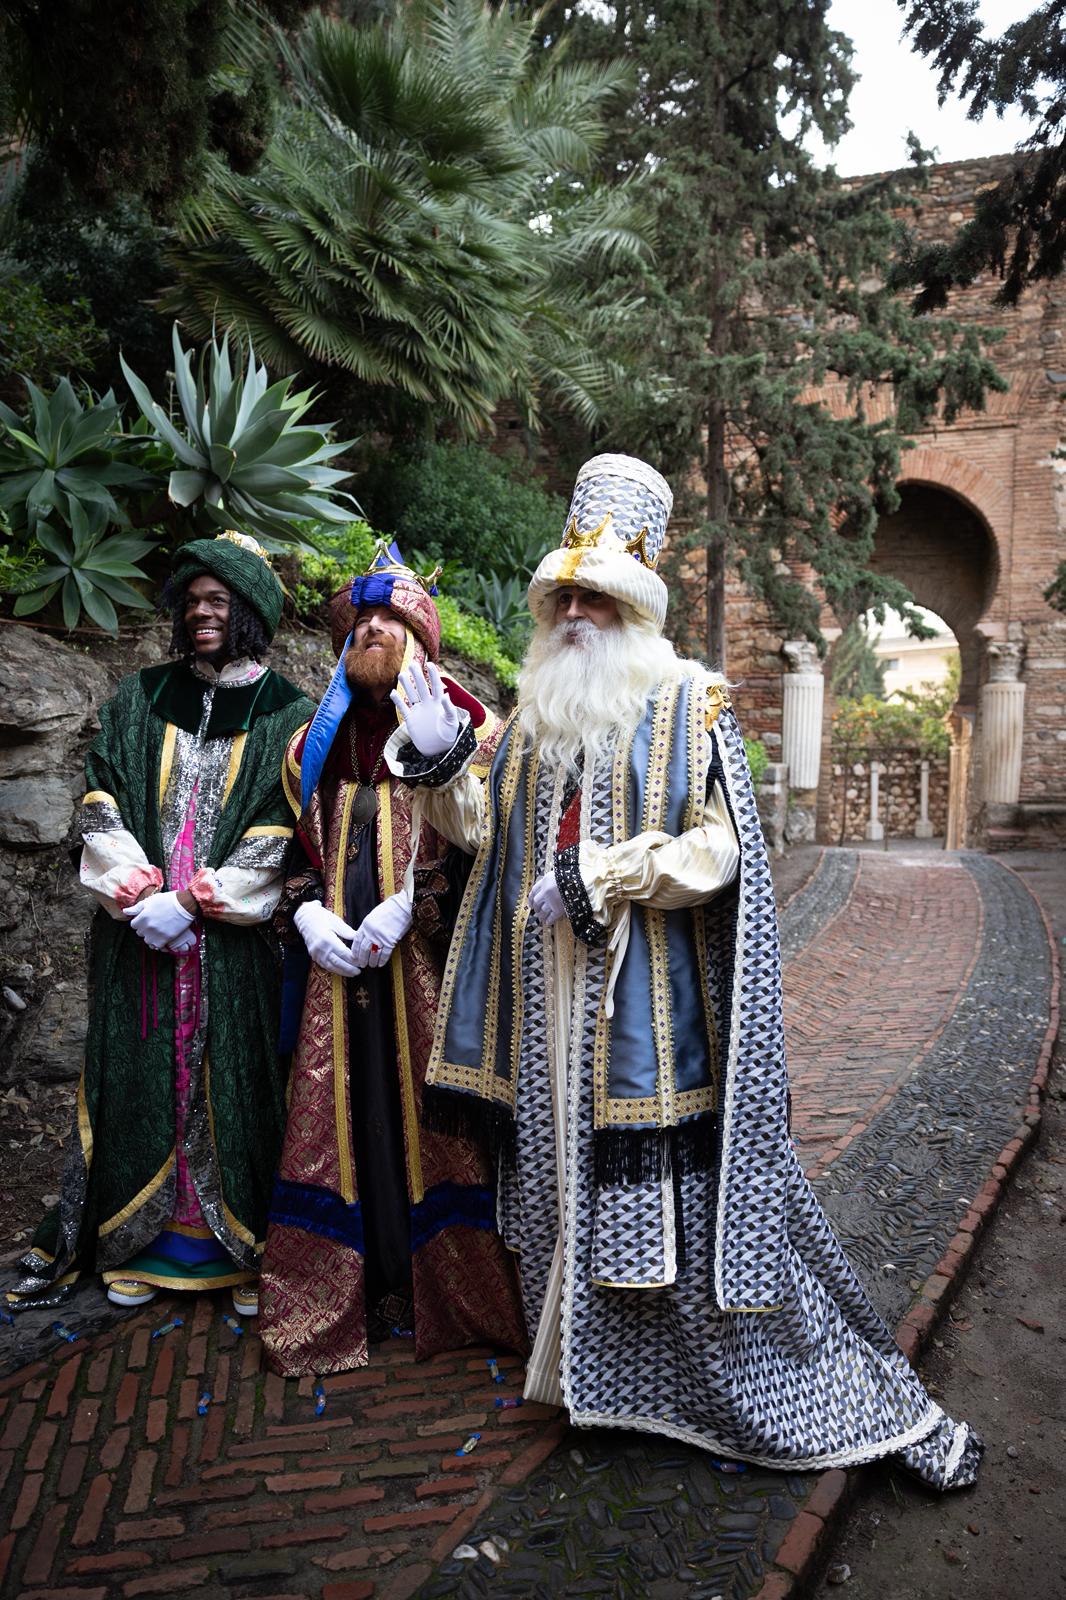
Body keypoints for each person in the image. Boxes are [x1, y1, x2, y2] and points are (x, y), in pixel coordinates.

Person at [386, 453, 982, 1489]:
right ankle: (592, 1377)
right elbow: (484, 830)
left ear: (637, 600)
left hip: (643, 1002)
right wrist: (439, 760)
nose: (576, 609)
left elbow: (719, 852)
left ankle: (705, 1382)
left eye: (598, 592)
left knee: (669, 1199)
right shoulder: (531, 714)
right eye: (563, 590)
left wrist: (604, 876)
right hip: (546, 1004)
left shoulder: (689, 701)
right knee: (569, 1188)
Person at [9, 531, 314, 1316]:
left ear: (250, 612)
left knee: (236, 1087)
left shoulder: (290, 715)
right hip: (137, 936)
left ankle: (238, 1251)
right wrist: (139, 890)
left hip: (229, 948)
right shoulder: (140, 696)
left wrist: (192, 903)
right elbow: (100, 796)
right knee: (141, 1085)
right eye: (193, 600)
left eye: (219, 601)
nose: (201, 612)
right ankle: (137, 1243)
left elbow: (278, 828)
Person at [259, 541, 527, 1376]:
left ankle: (444, 1296)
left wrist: (414, 905)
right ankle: (348, 1293)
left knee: (423, 1115)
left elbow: (485, 842)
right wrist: (307, 914)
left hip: (427, 974)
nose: (372, 630)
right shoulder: (310, 746)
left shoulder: (471, 731)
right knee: (343, 1114)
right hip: (335, 979)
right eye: (360, 621)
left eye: (391, 618)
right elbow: (296, 846)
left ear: (420, 638)